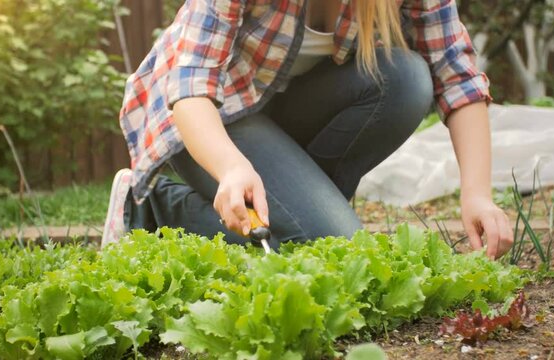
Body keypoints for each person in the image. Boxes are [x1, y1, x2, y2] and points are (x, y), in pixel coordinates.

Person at [101, 0, 514, 259]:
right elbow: (190, 85)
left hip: (282, 110)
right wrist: (229, 167)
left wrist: (477, 194)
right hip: (207, 118)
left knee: (406, 80)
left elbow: (456, 76)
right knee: (342, 253)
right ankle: (151, 206)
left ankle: (306, 216)